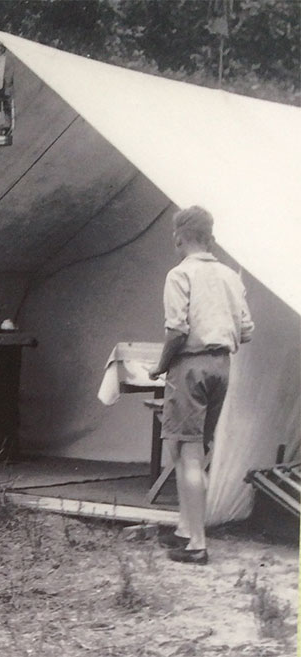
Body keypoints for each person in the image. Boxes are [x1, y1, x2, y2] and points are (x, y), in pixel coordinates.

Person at [148, 205, 254, 565]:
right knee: (187, 451)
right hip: (221, 366)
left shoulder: (180, 275)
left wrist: (160, 366)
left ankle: (197, 543)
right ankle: (184, 529)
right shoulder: (230, 276)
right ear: (210, 236)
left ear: (179, 236)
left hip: (189, 367)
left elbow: (176, 330)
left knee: (187, 454)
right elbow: (246, 331)